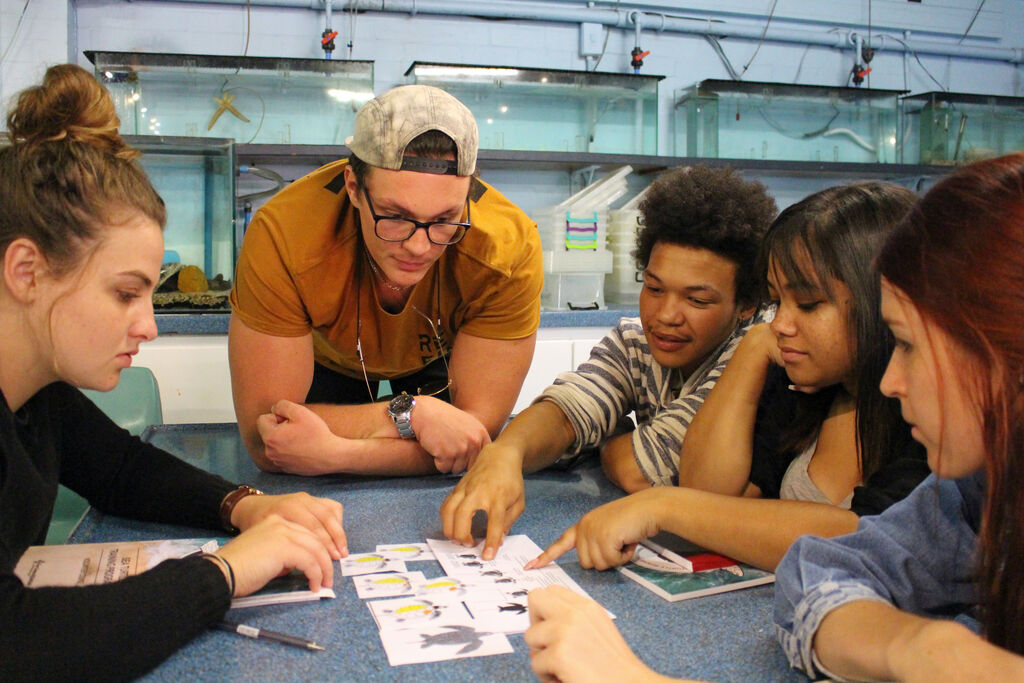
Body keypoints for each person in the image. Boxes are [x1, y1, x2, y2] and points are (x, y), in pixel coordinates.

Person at [0, 64, 348, 681]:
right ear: (27, 271)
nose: (148, 326)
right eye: (125, 294)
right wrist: (225, 571)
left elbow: (120, 470)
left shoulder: (39, 394)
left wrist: (245, 508)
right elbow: (17, 642)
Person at [528, 182, 929, 574]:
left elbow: (866, 537)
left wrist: (662, 505)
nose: (781, 323)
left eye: (807, 304)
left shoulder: (927, 418)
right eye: (776, 302)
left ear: (885, 302)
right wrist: (752, 351)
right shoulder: (800, 385)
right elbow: (709, 493)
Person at [442, 165, 777, 559]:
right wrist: (506, 453)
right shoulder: (636, 342)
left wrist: (606, 440)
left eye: (697, 300)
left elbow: (640, 469)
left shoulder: (750, 358)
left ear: (747, 305)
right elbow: (569, 409)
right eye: (654, 288)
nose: (666, 314)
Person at [774, 154, 1024, 681]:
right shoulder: (977, 488)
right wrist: (919, 647)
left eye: (908, 344)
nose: (891, 381)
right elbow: (820, 566)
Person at [229, 84, 542, 477]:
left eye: (445, 220)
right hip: (329, 363)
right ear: (354, 187)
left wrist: (336, 454)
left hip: (435, 358)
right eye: (395, 216)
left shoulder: (507, 251)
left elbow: (470, 442)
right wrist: (414, 413)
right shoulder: (285, 235)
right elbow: (269, 440)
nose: (418, 245)